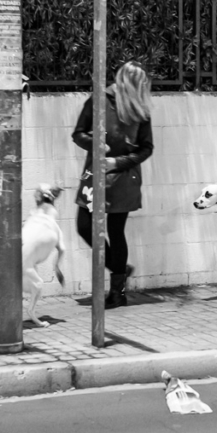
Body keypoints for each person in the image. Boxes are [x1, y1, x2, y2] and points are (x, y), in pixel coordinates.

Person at [72, 61, 154, 309]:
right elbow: (78, 133)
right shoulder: (98, 100)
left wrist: (117, 161)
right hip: (94, 174)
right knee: (84, 227)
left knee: (116, 232)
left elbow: (146, 148)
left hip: (123, 178)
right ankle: (120, 268)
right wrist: (97, 144)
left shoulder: (141, 111)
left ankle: (117, 292)